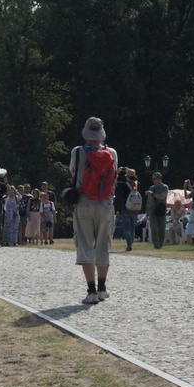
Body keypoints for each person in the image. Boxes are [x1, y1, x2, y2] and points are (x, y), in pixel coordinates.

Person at [70, 117, 117, 304]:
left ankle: (91, 291)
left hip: (84, 202)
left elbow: (74, 173)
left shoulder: (78, 152)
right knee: (103, 244)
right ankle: (103, 288)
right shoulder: (111, 152)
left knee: (85, 244)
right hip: (106, 204)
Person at [146, 172, 169, 249]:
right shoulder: (151, 188)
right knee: (154, 228)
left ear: (159, 179)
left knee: (162, 228)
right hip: (152, 210)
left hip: (161, 210)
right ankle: (156, 245)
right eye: (153, 179)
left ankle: (161, 243)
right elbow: (148, 200)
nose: (153, 180)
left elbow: (162, 196)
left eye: (155, 179)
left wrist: (152, 194)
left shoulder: (164, 187)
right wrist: (147, 211)